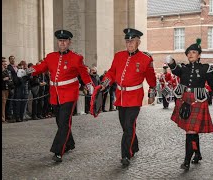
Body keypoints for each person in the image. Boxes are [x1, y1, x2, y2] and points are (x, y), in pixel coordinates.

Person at [26, 29, 95, 162]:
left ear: (69, 42)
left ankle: (58, 151)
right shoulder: (51, 56)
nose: (62, 43)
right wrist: (26, 71)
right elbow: (40, 67)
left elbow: (83, 73)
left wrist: (89, 85)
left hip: (69, 93)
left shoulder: (76, 58)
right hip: (55, 94)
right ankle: (70, 143)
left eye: (64, 41)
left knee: (63, 122)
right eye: (60, 41)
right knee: (60, 121)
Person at [165, 38, 213, 170]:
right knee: (192, 130)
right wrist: (171, 63)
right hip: (184, 100)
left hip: (198, 101)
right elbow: (175, 70)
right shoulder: (183, 68)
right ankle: (197, 153)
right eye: (189, 53)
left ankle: (187, 160)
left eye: (194, 52)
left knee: (191, 131)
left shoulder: (206, 68)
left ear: (199, 55)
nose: (191, 54)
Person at [99, 28, 157, 166]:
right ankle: (134, 145)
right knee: (125, 126)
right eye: (127, 41)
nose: (129, 44)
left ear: (138, 42)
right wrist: (104, 84)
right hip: (121, 96)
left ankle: (126, 155)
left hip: (135, 97)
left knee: (129, 125)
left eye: (132, 41)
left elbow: (151, 78)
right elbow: (112, 73)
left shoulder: (145, 58)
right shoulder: (119, 56)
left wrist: (151, 94)